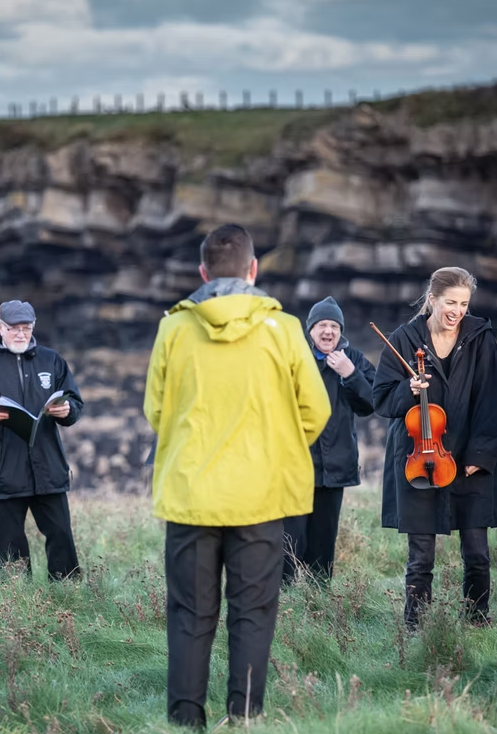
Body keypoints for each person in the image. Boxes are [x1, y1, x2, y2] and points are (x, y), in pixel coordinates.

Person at [144, 223, 331, 728]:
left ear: (202, 273)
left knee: (189, 616)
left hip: (190, 497)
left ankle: (186, 722)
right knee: (252, 616)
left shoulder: (173, 329)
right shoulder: (286, 328)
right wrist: (272, 451)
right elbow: (315, 411)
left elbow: (156, 412)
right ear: (254, 269)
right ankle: (244, 719)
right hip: (260, 498)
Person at [374, 267, 497, 629]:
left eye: (464, 304)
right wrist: (408, 391)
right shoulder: (403, 339)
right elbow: (382, 400)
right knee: (421, 558)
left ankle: (477, 623)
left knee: (477, 554)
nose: (458, 311)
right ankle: (417, 628)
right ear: (432, 299)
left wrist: (480, 456)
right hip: (420, 461)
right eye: (451, 302)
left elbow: (491, 402)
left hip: (468, 460)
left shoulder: (481, 338)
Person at [0, 300, 84, 581]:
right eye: (14, 329)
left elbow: (75, 403)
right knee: (10, 545)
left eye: (27, 328)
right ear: (0, 328)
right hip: (3, 472)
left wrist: (67, 410)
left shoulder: (52, 360)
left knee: (61, 536)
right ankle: (16, 604)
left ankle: (68, 598)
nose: (21, 334)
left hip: (49, 468)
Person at [282, 296, 377, 585]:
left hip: (335, 468)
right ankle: (282, 605)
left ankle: (318, 606)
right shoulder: (294, 358)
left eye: (334, 326)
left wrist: (350, 373)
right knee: (288, 543)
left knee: (323, 547)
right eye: (322, 325)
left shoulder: (355, 360)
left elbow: (371, 403)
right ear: (310, 330)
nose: (328, 331)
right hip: (296, 467)